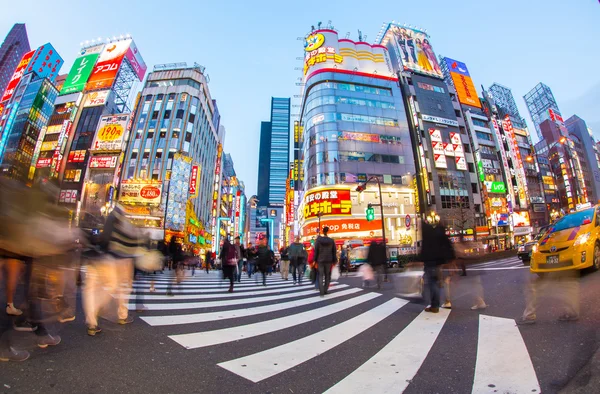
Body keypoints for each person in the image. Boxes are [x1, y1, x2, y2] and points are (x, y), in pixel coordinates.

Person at [84, 204, 143, 336]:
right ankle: (122, 315)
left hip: (102, 257)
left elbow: (104, 238)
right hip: (122, 260)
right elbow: (135, 246)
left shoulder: (109, 219)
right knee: (121, 287)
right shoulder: (128, 225)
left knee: (92, 288)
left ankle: (92, 320)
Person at [419, 219, 454, 313]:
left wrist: (420, 260)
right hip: (439, 262)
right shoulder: (440, 234)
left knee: (431, 283)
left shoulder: (428, 235)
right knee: (434, 282)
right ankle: (435, 304)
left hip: (430, 262)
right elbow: (448, 246)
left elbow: (424, 249)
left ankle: (434, 305)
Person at [314, 226, 337, 296]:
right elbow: (334, 251)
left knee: (320, 275)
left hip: (320, 260)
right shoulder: (331, 241)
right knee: (328, 275)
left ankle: (321, 291)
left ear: (322, 231)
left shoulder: (318, 240)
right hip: (329, 260)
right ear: (327, 231)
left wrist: (315, 259)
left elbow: (316, 251)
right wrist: (334, 260)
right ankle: (325, 289)